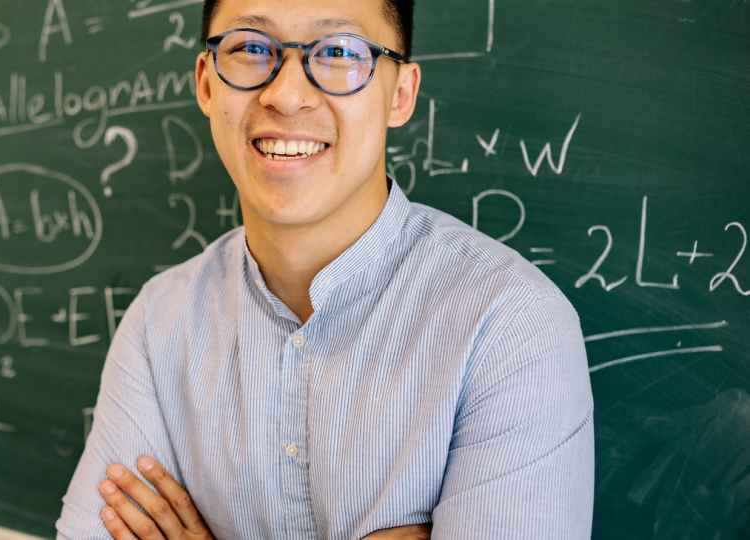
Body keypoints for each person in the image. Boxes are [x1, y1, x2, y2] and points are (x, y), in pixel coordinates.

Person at [55, 0, 595, 538]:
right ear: (205, 83)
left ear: (401, 95)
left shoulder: (511, 324)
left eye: (338, 51)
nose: (286, 96)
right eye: (250, 48)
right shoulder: (160, 320)